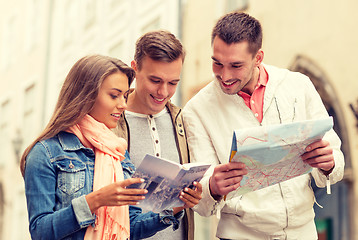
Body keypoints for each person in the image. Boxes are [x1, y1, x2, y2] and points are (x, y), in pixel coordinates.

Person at [182, 12, 345, 240]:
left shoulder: (299, 85)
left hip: (304, 232)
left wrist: (328, 163)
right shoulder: (196, 110)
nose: (224, 75)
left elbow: (335, 160)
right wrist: (212, 187)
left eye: (236, 65)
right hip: (240, 235)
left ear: (258, 57)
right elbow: (201, 202)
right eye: (217, 63)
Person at [21, 55, 199, 240]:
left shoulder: (118, 153)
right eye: (114, 95)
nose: (122, 105)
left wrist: (177, 206)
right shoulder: (46, 153)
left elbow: (131, 227)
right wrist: (95, 200)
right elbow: (40, 231)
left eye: (124, 96)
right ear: (86, 94)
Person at [115, 30, 201, 240]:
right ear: (134, 70)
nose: (163, 92)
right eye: (155, 80)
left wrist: (196, 194)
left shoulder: (184, 121)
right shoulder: (110, 122)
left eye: (173, 83)